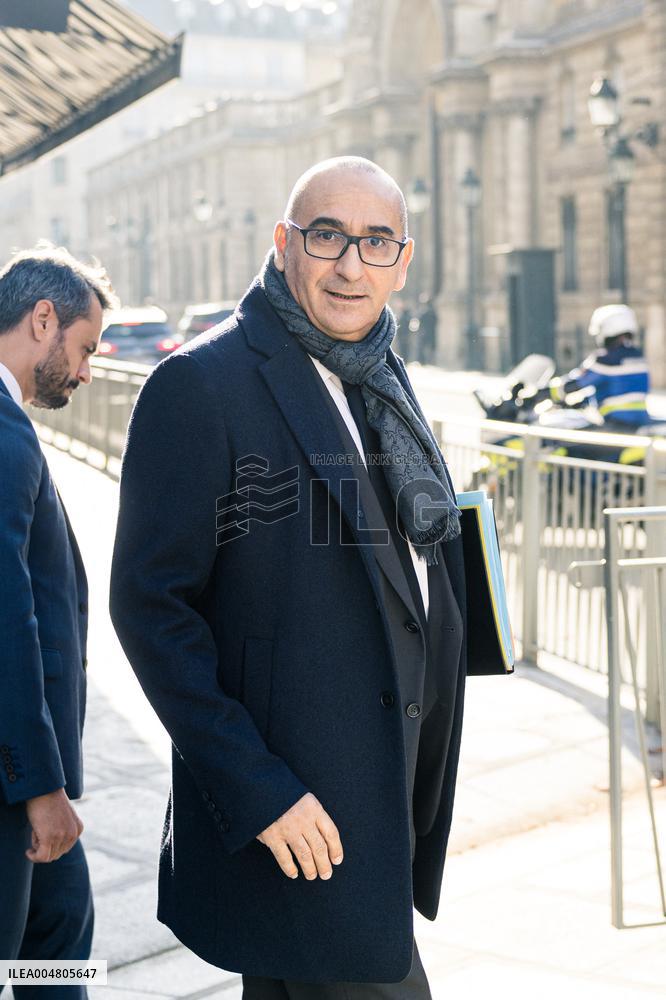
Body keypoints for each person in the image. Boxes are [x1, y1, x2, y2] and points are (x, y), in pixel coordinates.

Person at [110, 157, 477, 998]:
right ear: (284, 246)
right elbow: (150, 609)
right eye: (328, 236)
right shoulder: (199, 385)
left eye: (375, 241)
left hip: (386, 792)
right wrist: (258, 791)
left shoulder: (381, 367)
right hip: (299, 808)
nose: (352, 264)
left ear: (402, 261)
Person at [0, 245, 116, 997]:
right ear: (44, 319)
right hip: (12, 783)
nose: (83, 373)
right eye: (83, 348)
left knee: (59, 931)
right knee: (40, 947)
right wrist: (40, 787)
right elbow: (7, 620)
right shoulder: (4, 437)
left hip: (22, 776)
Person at [549, 304, 650, 428]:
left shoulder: (605, 359)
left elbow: (577, 382)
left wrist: (545, 392)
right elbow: (618, 388)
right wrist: (584, 400)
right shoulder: (638, 356)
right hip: (640, 423)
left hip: (615, 425)